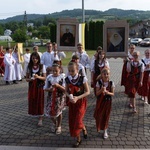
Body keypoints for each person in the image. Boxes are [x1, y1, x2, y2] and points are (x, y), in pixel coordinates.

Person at [65, 61, 90, 148]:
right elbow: (66, 91)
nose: (71, 73)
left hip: (81, 102)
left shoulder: (82, 78)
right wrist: (70, 96)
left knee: (78, 120)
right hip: (72, 103)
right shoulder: (68, 79)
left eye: (73, 71)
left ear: (77, 70)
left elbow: (88, 92)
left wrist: (77, 98)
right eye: (69, 70)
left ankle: (78, 140)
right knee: (74, 120)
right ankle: (82, 130)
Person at [44, 63, 65, 134]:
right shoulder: (49, 77)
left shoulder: (62, 77)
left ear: (60, 70)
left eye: (56, 71)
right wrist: (49, 89)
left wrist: (58, 86)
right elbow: (45, 88)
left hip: (59, 97)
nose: (54, 72)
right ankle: (55, 123)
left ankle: (59, 126)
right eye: (53, 71)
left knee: (58, 112)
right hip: (51, 97)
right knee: (50, 112)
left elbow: (65, 89)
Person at [26, 52, 46, 126]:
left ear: (38, 59)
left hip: (40, 87)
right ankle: (34, 113)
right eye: (33, 58)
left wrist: (38, 77)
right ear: (31, 58)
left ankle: (40, 118)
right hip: (32, 87)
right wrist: (31, 79)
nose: (35, 60)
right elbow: (27, 79)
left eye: (36, 58)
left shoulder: (41, 66)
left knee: (40, 101)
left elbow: (44, 78)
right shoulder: (29, 66)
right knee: (33, 100)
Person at [94, 68, 115, 139]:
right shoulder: (99, 82)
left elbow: (112, 94)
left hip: (108, 102)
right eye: (104, 74)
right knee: (99, 115)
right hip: (100, 101)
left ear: (109, 75)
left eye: (107, 74)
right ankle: (99, 126)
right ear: (102, 75)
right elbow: (97, 94)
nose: (106, 75)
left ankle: (105, 130)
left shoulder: (111, 83)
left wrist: (107, 92)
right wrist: (101, 90)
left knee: (106, 116)